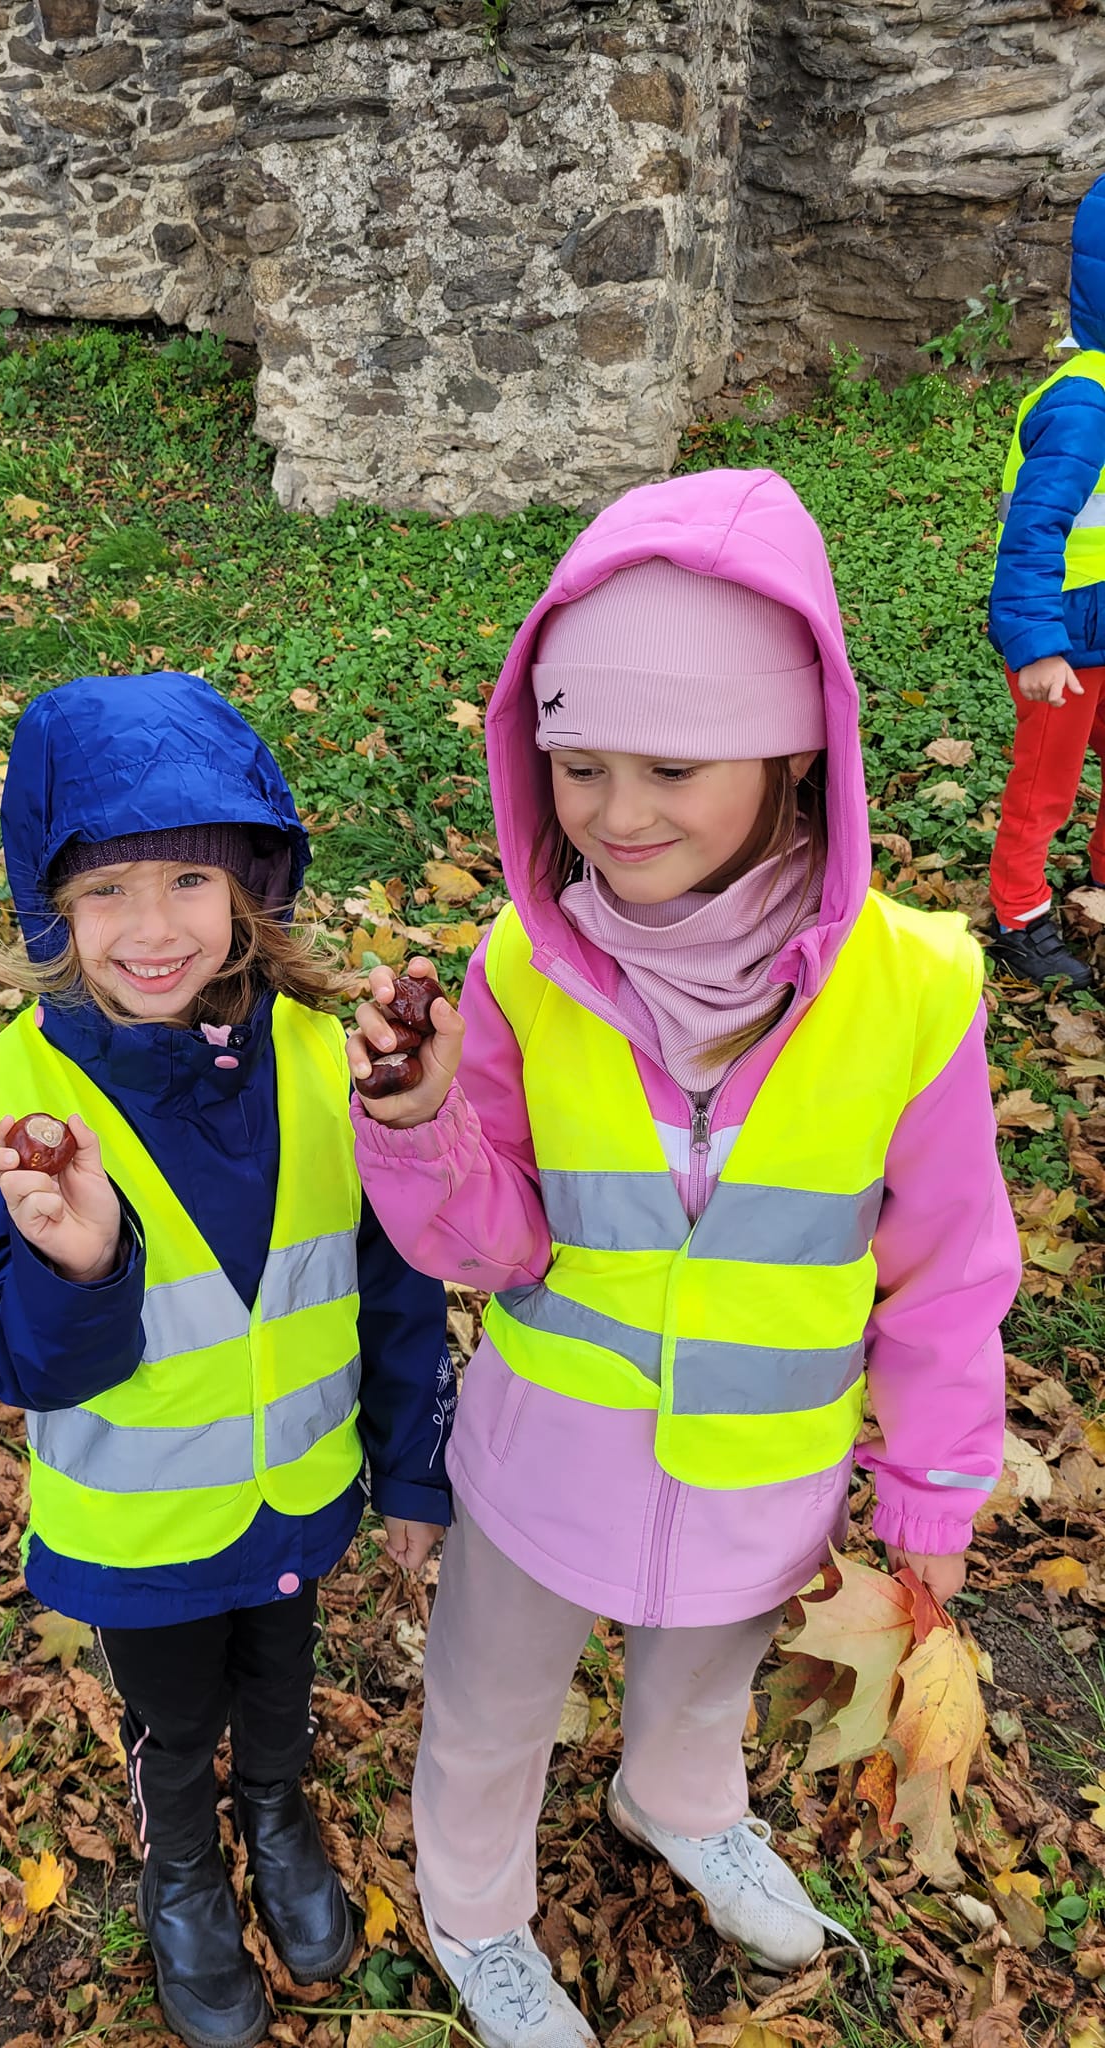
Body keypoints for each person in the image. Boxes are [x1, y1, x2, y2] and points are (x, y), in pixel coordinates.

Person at [347, 470, 1019, 2048]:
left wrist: (933, 1492)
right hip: (544, 1461)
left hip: (764, 1468)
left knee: (704, 1687)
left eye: (672, 766)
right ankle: (476, 1909)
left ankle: (679, 1800)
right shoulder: (528, 965)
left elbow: (949, 1271)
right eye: (579, 764)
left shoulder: (915, 988)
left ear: (794, 751)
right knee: (489, 1709)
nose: (616, 812)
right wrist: (423, 1123)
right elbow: (491, 1239)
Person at [0, 671, 452, 2048]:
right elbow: (15, 1360)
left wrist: (412, 1470)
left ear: (249, 886)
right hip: (145, 1528)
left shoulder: (322, 1056)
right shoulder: (4, 1101)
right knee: (174, 1715)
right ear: (51, 907)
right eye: (105, 889)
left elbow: (393, 1279)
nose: (153, 928)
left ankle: (276, 1813)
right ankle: (183, 1866)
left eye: (187, 879)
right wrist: (83, 1265)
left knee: (280, 1680)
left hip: (300, 1492)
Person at [987, 171, 1105, 985]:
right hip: (1062, 639)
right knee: (1045, 784)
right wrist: (1035, 643)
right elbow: (1031, 533)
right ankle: (1018, 915)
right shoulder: (1083, 407)